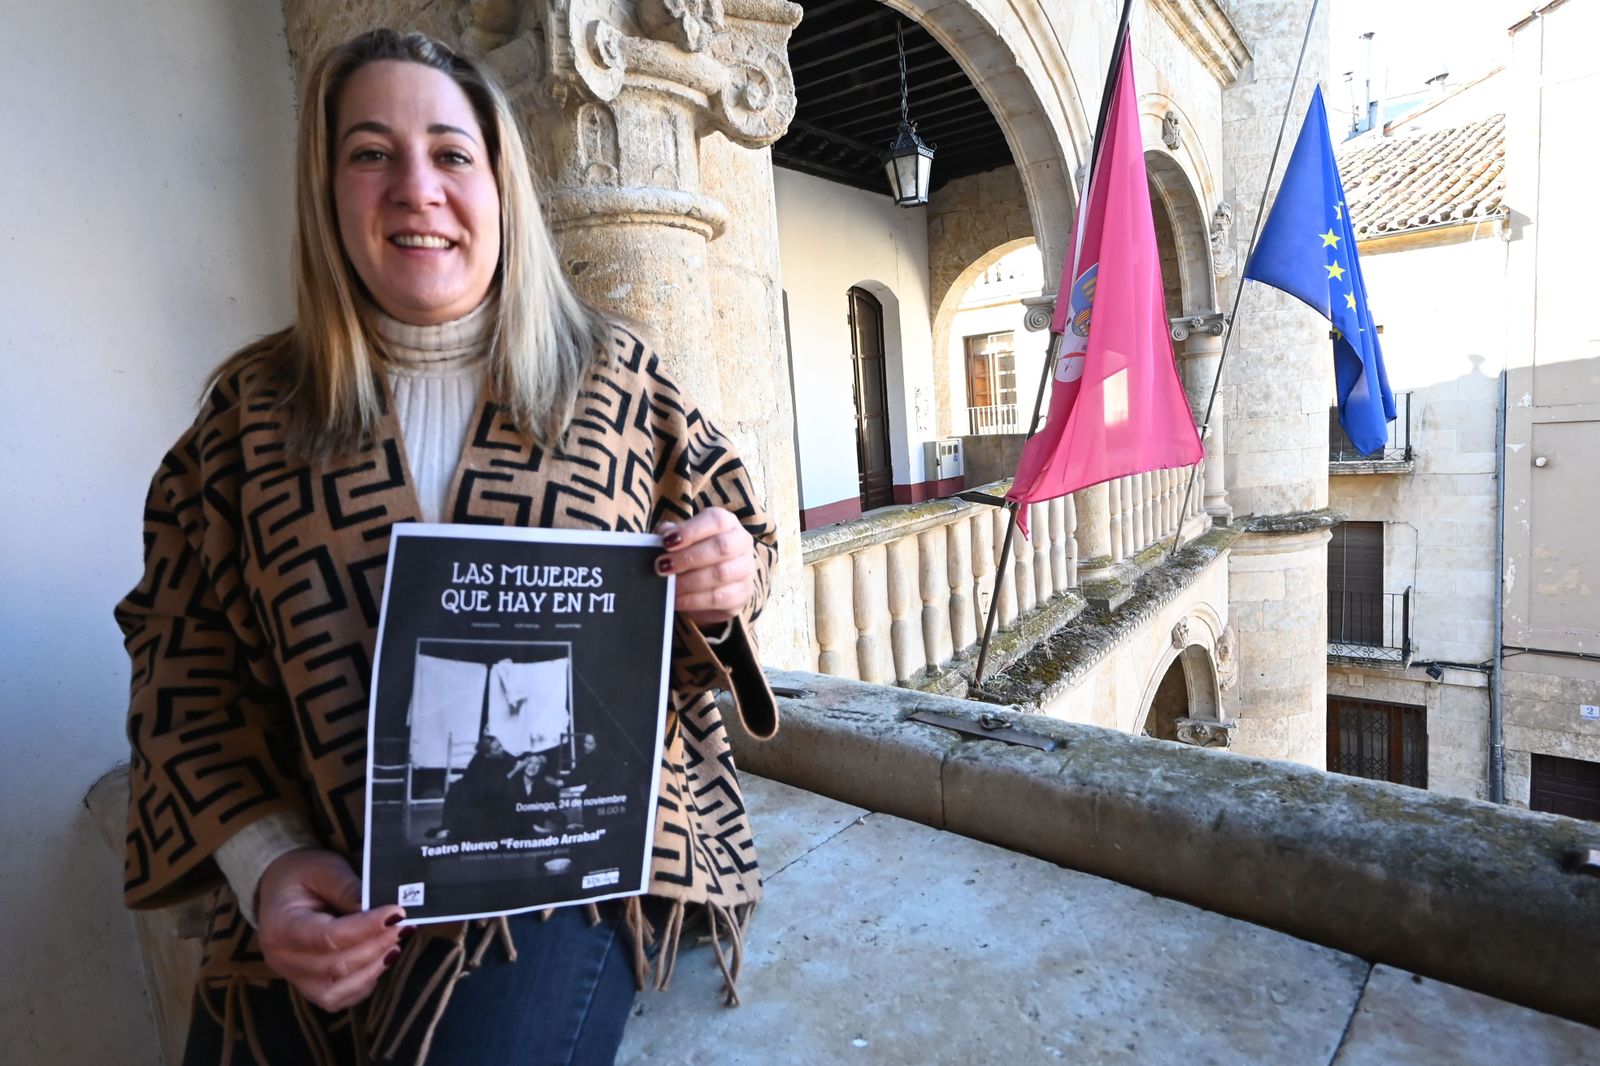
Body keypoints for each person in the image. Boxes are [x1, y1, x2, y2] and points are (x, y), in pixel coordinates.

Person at [116, 27, 778, 1066]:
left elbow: (741, 547)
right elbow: (179, 656)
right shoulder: (248, 416)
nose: (414, 187)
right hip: (334, 858)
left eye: (451, 154)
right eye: (370, 152)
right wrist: (269, 867)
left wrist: (725, 573)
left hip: (568, 864)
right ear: (328, 192)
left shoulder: (617, 379)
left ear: (501, 184)